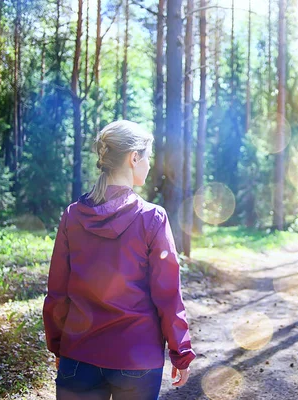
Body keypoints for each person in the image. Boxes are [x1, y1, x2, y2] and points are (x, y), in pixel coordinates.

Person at [43, 120, 196, 400]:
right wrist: (180, 352)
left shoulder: (72, 216)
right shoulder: (153, 218)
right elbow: (168, 295)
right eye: (147, 156)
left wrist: (58, 345)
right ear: (133, 157)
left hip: (78, 354)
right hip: (137, 358)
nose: (149, 164)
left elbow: (57, 292)